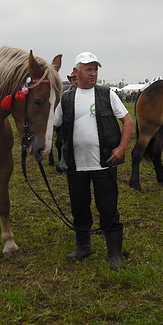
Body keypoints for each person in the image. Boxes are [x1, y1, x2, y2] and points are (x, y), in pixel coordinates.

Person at [54, 52, 134, 269]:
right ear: (76, 73)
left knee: (108, 207)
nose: (93, 73)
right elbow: (54, 123)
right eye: (88, 69)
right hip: (76, 165)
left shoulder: (107, 95)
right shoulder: (67, 99)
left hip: (104, 163)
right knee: (80, 207)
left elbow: (128, 121)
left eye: (95, 69)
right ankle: (83, 246)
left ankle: (114, 252)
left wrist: (121, 148)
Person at [56, 70, 79, 173]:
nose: (76, 81)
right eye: (74, 79)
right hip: (67, 121)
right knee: (65, 143)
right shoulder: (65, 94)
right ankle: (63, 164)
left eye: (77, 79)